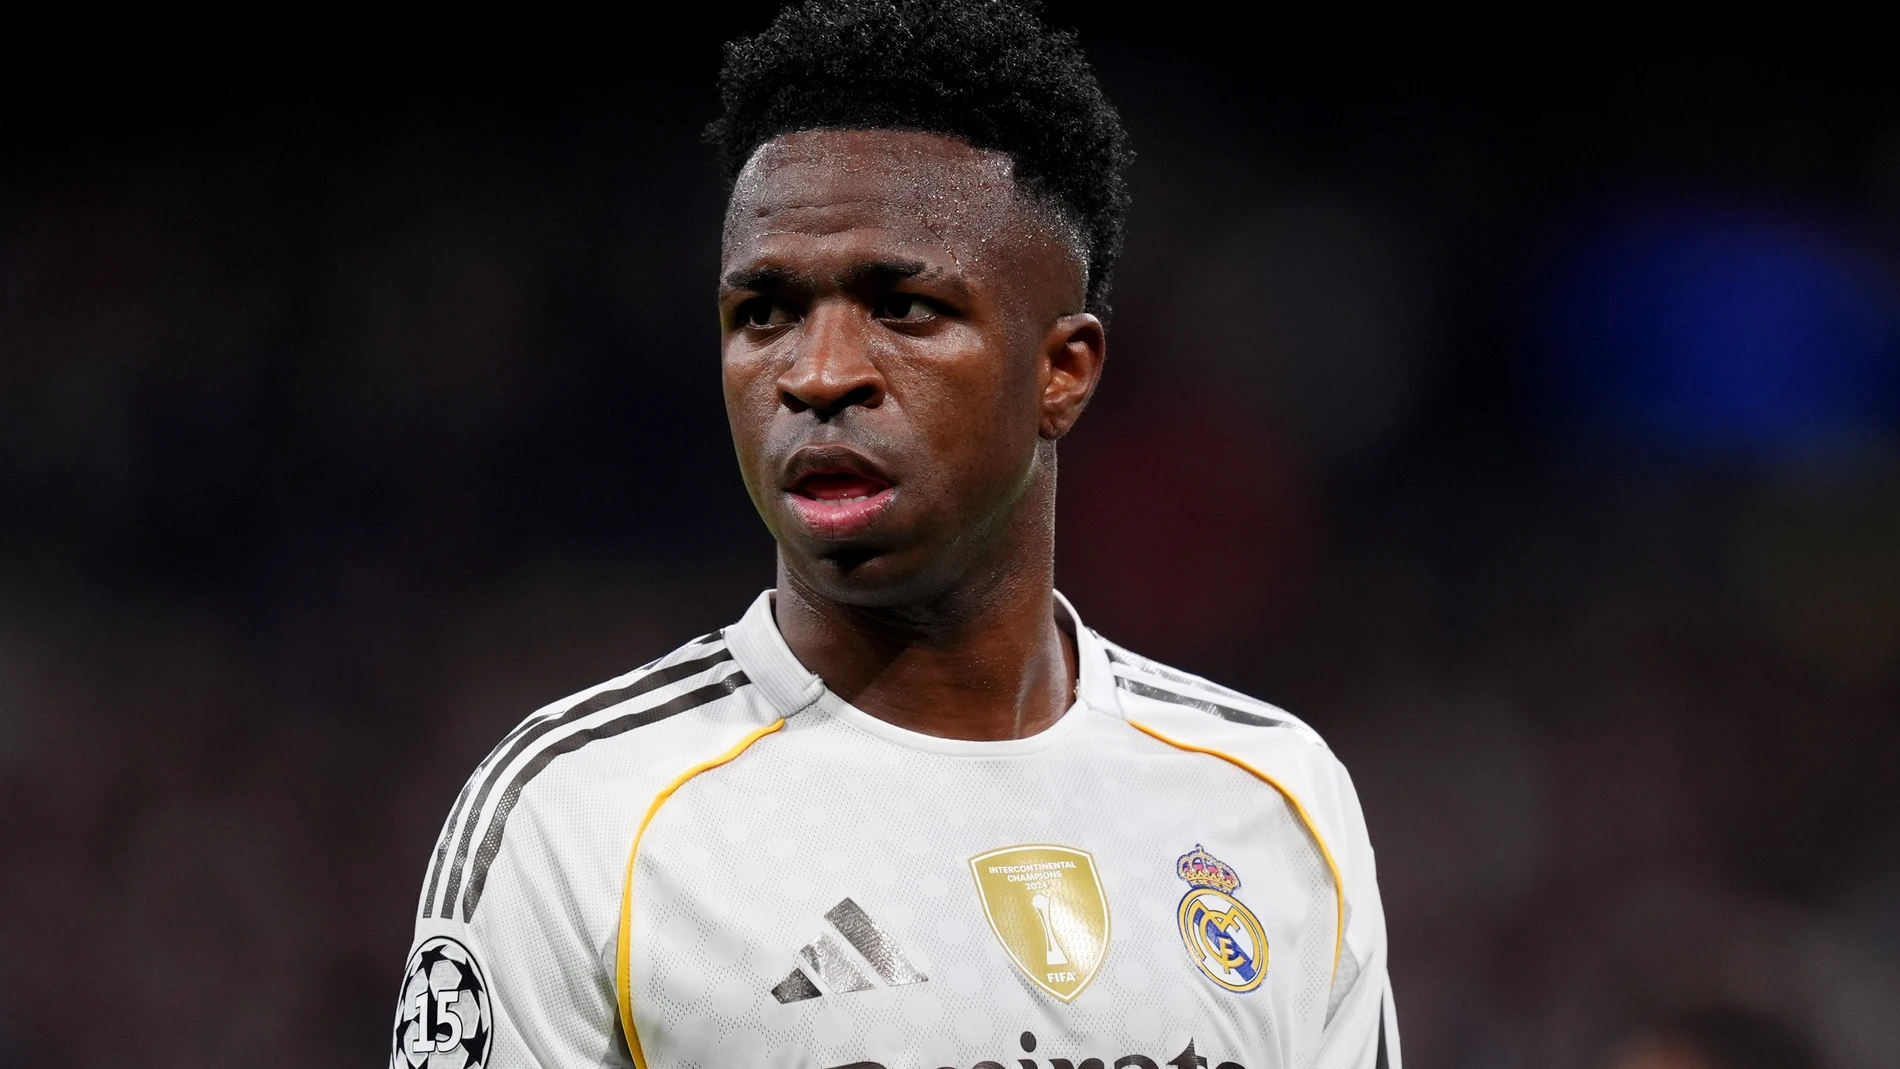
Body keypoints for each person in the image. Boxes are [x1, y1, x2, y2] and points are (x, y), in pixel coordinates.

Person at [390, 3, 1399, 1067]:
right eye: (764, 313)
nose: (818, 373)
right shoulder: (580, 817)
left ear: (1063, 371)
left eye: (905, 308)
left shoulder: (1273, 801)